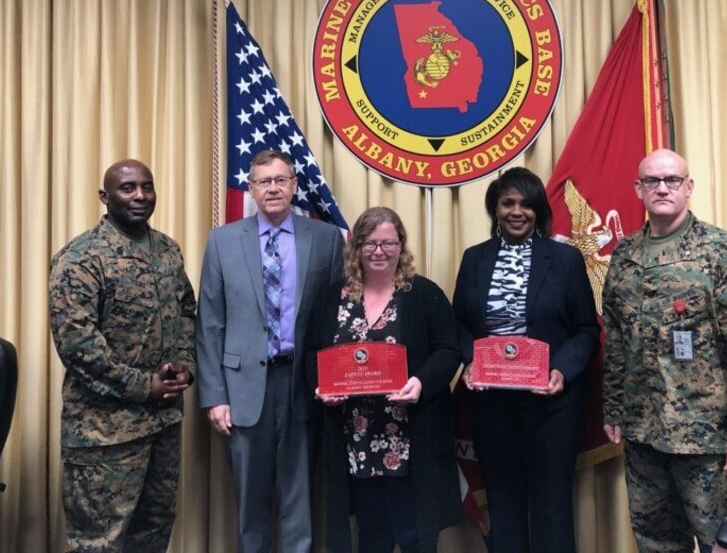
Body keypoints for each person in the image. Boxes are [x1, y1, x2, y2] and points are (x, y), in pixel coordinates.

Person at [602, 148, 727, 553]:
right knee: (656, 542)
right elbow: (617, 341)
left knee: (722, 544)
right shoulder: (624, 257)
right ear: (639, 189)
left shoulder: (724, 254)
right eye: (652, 181)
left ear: (689, 188)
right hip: (643, 435)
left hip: (708, 441)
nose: (662, 188)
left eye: (672, 180)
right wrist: (614, 408)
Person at [196, 149, 345, 553]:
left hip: (303, 385)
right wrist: (214, 397)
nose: (274, 188)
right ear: (251, 189)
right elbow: (209, 323)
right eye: (264, 181)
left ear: (295, 185)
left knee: (300, 503)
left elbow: (337, 321)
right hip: (242, 390)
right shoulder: (223, 241)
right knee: (250, 505)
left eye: (281, 180)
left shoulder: (327, 239)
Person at [48, 159, 196, 553]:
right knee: (101, 542)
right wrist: (141, 385)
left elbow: (185, 312)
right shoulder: (81, 258)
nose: (140, 196)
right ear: (105, 196)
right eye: (128, 188)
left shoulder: (166, 250)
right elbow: (76, 343)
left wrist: (184, 367)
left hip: (162, 422)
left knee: (154, 531)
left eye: (147, 187)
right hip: (105, 432)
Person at [452, 166, 599, 553]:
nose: (517, 212)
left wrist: (561, 371)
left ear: (538, 210)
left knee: (552, 508)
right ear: (495, 209)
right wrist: (470, 361)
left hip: (551, 406)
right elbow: (460, 325)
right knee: (503, 505)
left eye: (526, 204)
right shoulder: (474, 259)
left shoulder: (565, 260)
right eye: (508, 203)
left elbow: (586, 329)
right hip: (492, 405)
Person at [309, 206, 462, 553]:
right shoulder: (334, 297)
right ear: (357, 247)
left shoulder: (424, 294)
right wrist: (323, 389)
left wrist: (421, 382)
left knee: (413, 534)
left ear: (401, 245)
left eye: (388, 243)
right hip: (356, 439)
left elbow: (448, 350)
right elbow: (312, 354)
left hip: (409, 436)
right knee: (371, 533)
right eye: (369, 243)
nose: (379, 251)